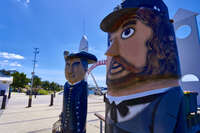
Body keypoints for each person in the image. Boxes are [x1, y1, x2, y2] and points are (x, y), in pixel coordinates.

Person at [100, 0, 187, 132]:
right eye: (110, 41)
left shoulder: (165, 99)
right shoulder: (112, 99)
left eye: (127, 32)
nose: (109, 52)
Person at [60, 51, 97, 133]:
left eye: (75, 64)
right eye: (67, 65)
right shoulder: (66, 85)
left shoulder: (82, 85)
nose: (70, 71)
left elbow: (82, 112)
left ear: (85, 69)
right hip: (65, 128)